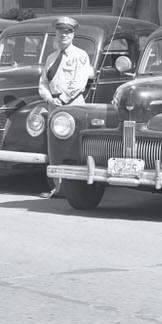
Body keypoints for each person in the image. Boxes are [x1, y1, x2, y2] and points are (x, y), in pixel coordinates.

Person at [37, 15, 96, 198]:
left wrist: (62, 99)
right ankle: (58, 188)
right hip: (54, 106)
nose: (64, 35)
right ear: (55, 33)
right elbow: (43, 83)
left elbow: (79, 82)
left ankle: (76, 189)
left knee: (74, 148)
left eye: (68, 32)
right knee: (54, 148)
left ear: (73, 35)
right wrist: (49, 98)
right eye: (61, 32)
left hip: (73, 106)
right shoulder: (51, 58)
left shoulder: (80, 56)